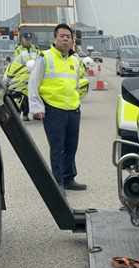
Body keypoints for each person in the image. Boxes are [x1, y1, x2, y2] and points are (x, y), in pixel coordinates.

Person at [28, 23, 86, 194]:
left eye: (69, 37)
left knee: (71, 146)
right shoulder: (44, 57)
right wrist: (37, 107)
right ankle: (58, 182)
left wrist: (78, 102)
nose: (66, 39)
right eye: (62, 36)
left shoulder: (75, 60)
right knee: (57, 147)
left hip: (73, 110)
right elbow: (33, 83)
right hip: (54, 110)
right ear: (55, 39)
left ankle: (69, 178)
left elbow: (75, 84)